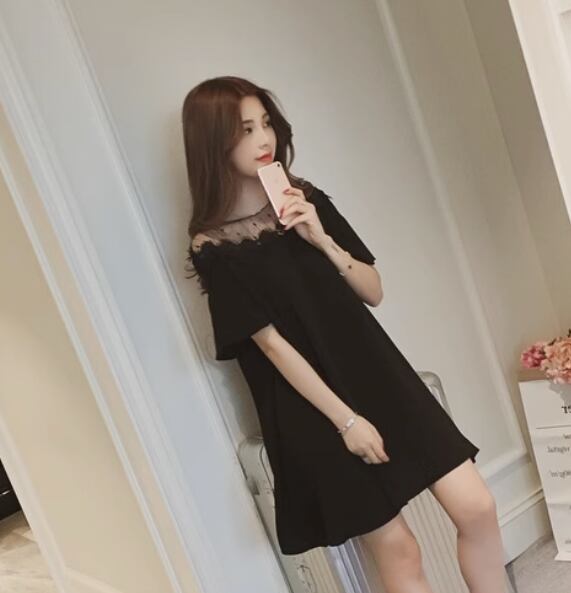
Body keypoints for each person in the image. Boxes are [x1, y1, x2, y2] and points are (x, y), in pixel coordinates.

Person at [182, 76, 507, 593]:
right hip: (314, 409)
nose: (263, 138)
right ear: (213, 142)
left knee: (477, 506)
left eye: (266, 123)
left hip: (377, 373)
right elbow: (271, 346)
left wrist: (323, 240)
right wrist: (347, 421)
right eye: (245, 129)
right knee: (400, 551)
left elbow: (373, 291)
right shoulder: (213, 248)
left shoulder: (305, 200)